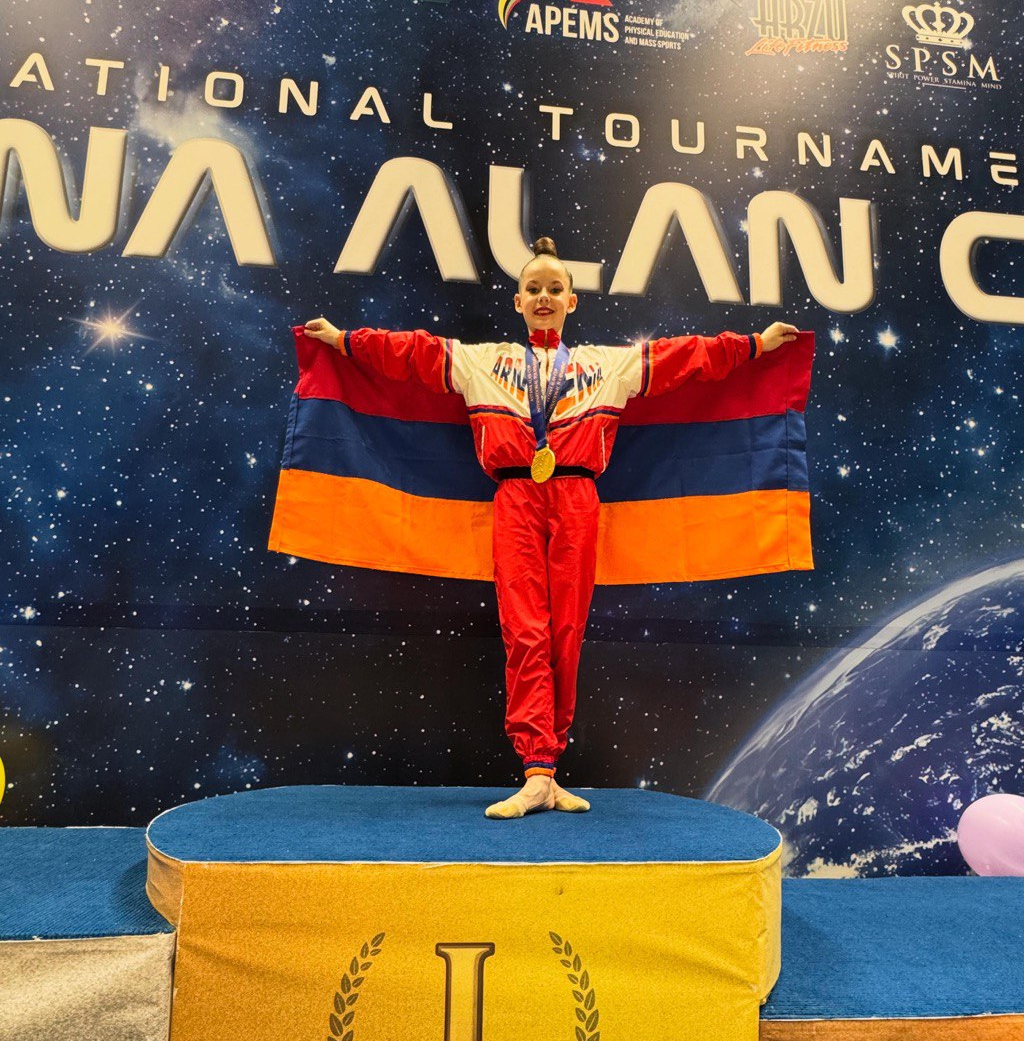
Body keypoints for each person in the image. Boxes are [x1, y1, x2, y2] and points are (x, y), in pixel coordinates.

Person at [304, 237, 798, 819]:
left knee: (566, 629)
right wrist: (345, 341)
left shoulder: (607, 364)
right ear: (517, 301)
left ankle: (548, 769)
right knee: (524, 631)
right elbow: (411, 353)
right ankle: (534, 770)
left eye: (555, 289)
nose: (544, 297)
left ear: (572, 300)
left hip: (578, 497)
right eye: (533, 288)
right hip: (515, 496)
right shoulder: (481, 361)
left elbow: (683, 357)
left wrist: (753, 344)